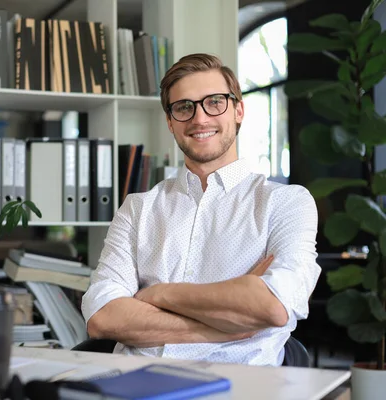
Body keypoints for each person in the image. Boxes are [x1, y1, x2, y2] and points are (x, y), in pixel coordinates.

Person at [81, 53, 321, 366]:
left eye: (215, 102)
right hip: (135, 382)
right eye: (184, 107)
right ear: (170, 121)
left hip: (239, 388)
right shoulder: (138, 209)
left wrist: (159, 294)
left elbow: (273, 306)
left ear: (238, 110)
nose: (200, 118)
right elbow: (103, 316)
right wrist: (230, 327)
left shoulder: (285, 203)